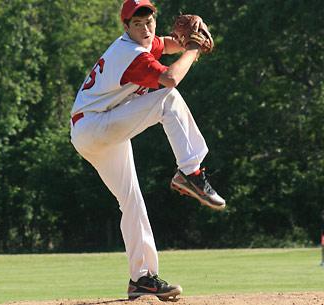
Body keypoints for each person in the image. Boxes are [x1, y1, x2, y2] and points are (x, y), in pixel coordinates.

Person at [70, 0, 225, 300]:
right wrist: (192, 48)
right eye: (137, 23)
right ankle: (190, 172)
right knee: (167, 98)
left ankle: (142, 278)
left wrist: (181, 42)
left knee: (131, 200)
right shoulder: (129, 54)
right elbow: (170, 78)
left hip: (94, 131)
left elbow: (162, 44)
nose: (145, 28)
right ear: (126, 27)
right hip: (95, 125)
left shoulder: (140, 42)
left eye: (149, 20)